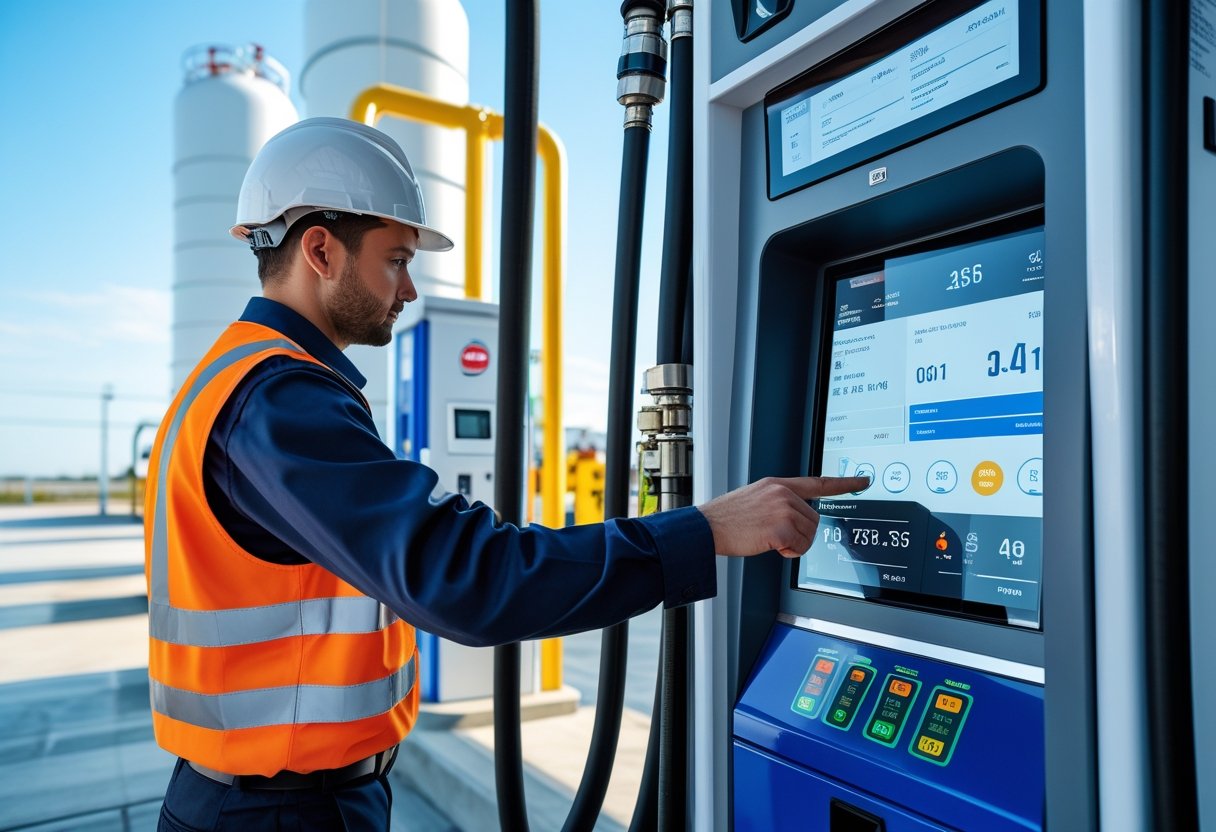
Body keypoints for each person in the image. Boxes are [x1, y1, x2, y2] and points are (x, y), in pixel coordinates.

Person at [145, 117, 867, 831]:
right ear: (321, 250)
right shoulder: (280, 399)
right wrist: (704, 531)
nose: (409, 290)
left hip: (260, 796)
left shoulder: (227, 379)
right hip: (277, 812)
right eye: (396, 259)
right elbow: (470, 581)